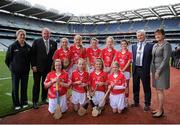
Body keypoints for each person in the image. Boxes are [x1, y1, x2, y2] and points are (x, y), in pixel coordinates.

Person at [5, 29, 31, 110]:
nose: (22, 36)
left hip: (25, 72)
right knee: (15, 88)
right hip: (15, 72)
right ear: (17, 36)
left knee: (24, 87)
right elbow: (7, 60)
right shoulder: (12, 46)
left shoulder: (28, 47)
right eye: (21, 35)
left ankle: (24, 102)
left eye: (24, 35)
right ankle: (16, 104)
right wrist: (12, 68)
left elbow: (30, 59)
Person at [31, 28, 57, 109]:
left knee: (45, 84)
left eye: (47, 33)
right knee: (36, 85)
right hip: (37, 68)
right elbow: (32, 54)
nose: (46, 35)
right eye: (44, 33)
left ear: (50, 34)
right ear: (42, 34)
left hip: (48, 68)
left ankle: (44, 98)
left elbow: (54, 57)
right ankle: (35, 101)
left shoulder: (54, 43)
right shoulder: (36, 41)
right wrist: (33, 65)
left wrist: (53, 68)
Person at [151, 29, 172, 118]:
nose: (157, 36)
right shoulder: (155, 45)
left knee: (160, 90)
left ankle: (160, 110)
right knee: (157, 89)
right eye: (156, 35)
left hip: (161, 70)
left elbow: (166, 60)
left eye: (159, 34)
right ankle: (159, 108)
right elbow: (153, 58)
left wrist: (158, 71)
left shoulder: (167, 45)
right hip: (154, 69)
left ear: (163, 35)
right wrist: (152, 70)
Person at [131, 29, 154, 111]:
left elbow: (153, 59)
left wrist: (152, 70)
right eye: (138, 35)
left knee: (146, 87)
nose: (140, 37)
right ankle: (136, 101)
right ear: (136, 37)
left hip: (144, 69)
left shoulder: (150, 46)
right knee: (135, 86)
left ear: (145, 36)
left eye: (141, 35)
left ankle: (147, 103)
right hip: (135, 69)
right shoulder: (133, 46)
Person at [114, 39, 132, 107]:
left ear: (127, 45)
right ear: (120, 45)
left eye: (125, 44)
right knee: (119, 84)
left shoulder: (129, 53)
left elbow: (129, 62)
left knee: (126, 86)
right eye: (122, 44)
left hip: (126, 72)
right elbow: (116, 62)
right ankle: (120, 99)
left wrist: (123, 70)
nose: (123, 45)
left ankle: (126, 100)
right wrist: (119, 70)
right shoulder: (118, 53)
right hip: (119, 71)